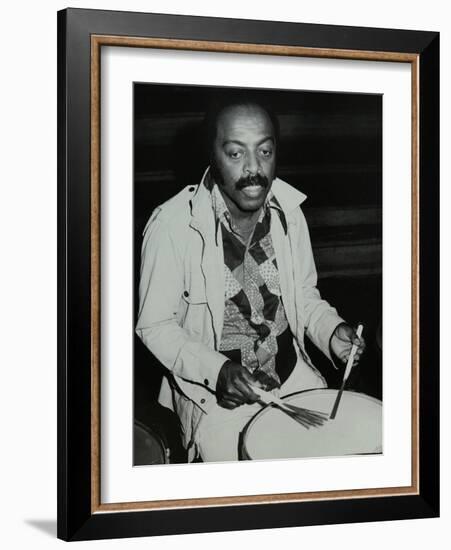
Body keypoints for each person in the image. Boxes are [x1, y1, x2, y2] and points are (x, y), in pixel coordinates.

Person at [136, 97, 366, 463]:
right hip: (215, 400)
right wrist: (218, 371)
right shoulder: (171, 226)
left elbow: (304, 295)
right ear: (211, 154)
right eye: (235, 153)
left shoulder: (289, 213)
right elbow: (155, 325)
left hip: (292, 380)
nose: (253, 169)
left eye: (264, 151)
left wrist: (331, 329)